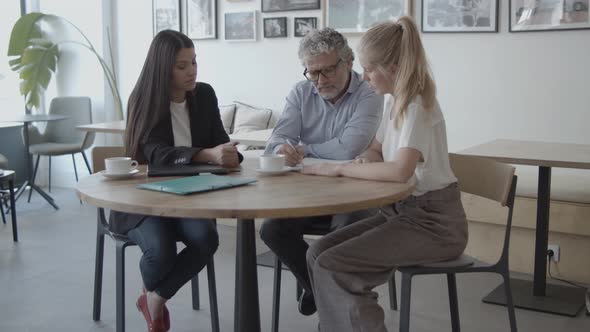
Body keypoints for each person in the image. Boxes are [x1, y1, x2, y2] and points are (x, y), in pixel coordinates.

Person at [302, 17, 468, 332]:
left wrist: (341, 168)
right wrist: (364, 160)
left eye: (367, 69)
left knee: (334, 265)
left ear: (392, 68)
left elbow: (400, 171)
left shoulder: (417, 105)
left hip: (435, 225)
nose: (362, 77)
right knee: (317, 253)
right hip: (401, 215)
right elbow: (377, 151)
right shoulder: (394, 101)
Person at [112, 29, 242, 332]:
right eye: (182, 66)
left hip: (191, 194)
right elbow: (156, 154)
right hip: (145, 199)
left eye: (194, 62)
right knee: (161, 252)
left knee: (206, 239)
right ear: (163, 68)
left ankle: (155, 297)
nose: (192, 71)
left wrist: (229, 154)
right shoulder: (144, 99)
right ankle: (156, 295)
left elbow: (220, 142)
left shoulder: (205, 94)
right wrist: (207, 155)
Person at [260, 27, 383, 316]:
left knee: (341, 234)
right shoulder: (300, 92)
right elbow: (275, 142)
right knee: (272, 229)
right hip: (310, 194)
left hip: (357, 193)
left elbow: (349, 149)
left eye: (327, 71)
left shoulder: (370, 92)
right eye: (312, 72)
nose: (319, 81)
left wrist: (303, 149)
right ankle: (321, 291)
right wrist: (281, 150)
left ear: (348, 62)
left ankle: (328, 307)